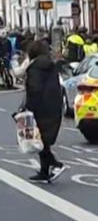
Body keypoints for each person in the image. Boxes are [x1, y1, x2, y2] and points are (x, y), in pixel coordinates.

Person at [23, 41, 66, 183]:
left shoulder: (35, 68)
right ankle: (44, 171)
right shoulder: (50, 66)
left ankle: (56, 164)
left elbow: (35, 89)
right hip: (53, 106)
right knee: (42, 140)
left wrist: (28, 108)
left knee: (39, 138)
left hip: (40, 107)